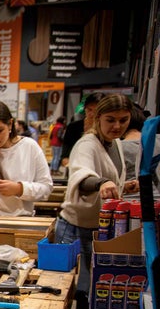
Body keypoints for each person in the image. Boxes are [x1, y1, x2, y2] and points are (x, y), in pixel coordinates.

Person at [55, 94, 139, 294]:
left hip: (97, 227)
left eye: (123, 120)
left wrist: (123, 186)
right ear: (98, 117)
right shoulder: (88, 144)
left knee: (88, 287)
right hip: (75, 229)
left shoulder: (114, 143)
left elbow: (107, 177)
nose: (117, 126)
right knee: (70, 290)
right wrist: (102, 182)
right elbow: (83, 178)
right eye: (110, 120)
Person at [61, 92, 106, 169]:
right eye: (89, 109)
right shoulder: (73, 127)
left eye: (96, 111)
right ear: (85, 109)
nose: (92, 114)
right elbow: (64, 156)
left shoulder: (106, 129)